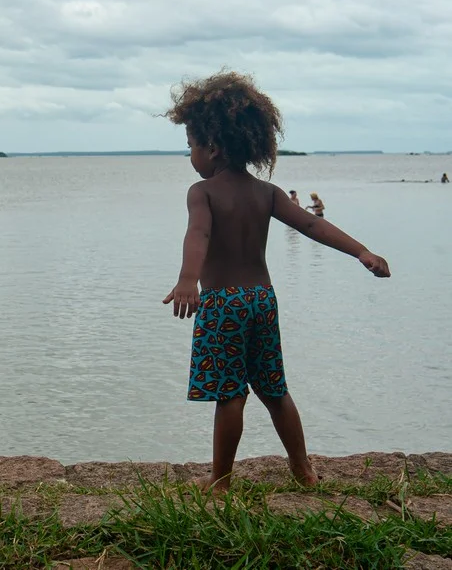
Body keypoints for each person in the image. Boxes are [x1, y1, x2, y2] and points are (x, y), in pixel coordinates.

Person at [161, 71, 390, 493]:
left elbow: (199, 235)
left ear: (211, 147)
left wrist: (187, 280)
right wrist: (362, 251)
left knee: (230, 394)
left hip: (225, 303)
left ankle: (221, 481)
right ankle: (302, 469)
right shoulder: (267, 192)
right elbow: (311, 227)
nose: (191, 155)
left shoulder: (202, 192)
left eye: (191, 145)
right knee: (274, 388)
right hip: (262, 300)